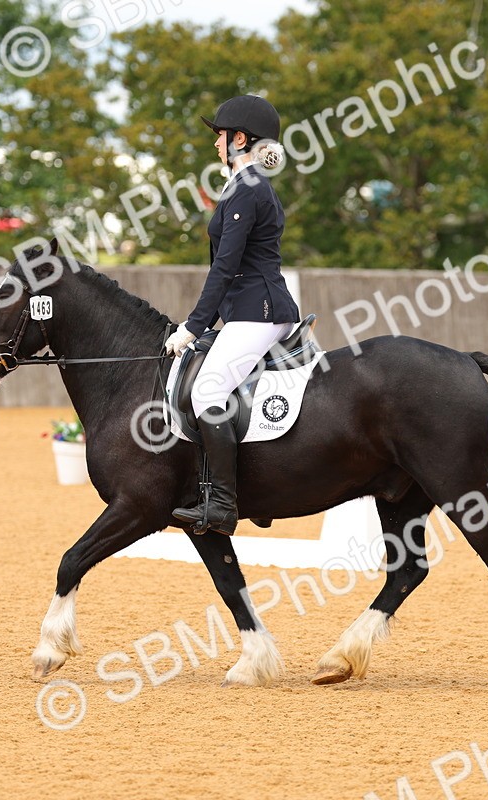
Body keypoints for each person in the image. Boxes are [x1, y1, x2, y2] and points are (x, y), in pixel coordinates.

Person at [164, 95, 300, 536]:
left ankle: (223, 504)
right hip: (248, 311)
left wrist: (192, 326)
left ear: (239, 139)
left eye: (219, 136)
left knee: (207, 391)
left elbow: (224, 266)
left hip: (256, 312)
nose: (215, 145)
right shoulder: (246, 186)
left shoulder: (247, 189)